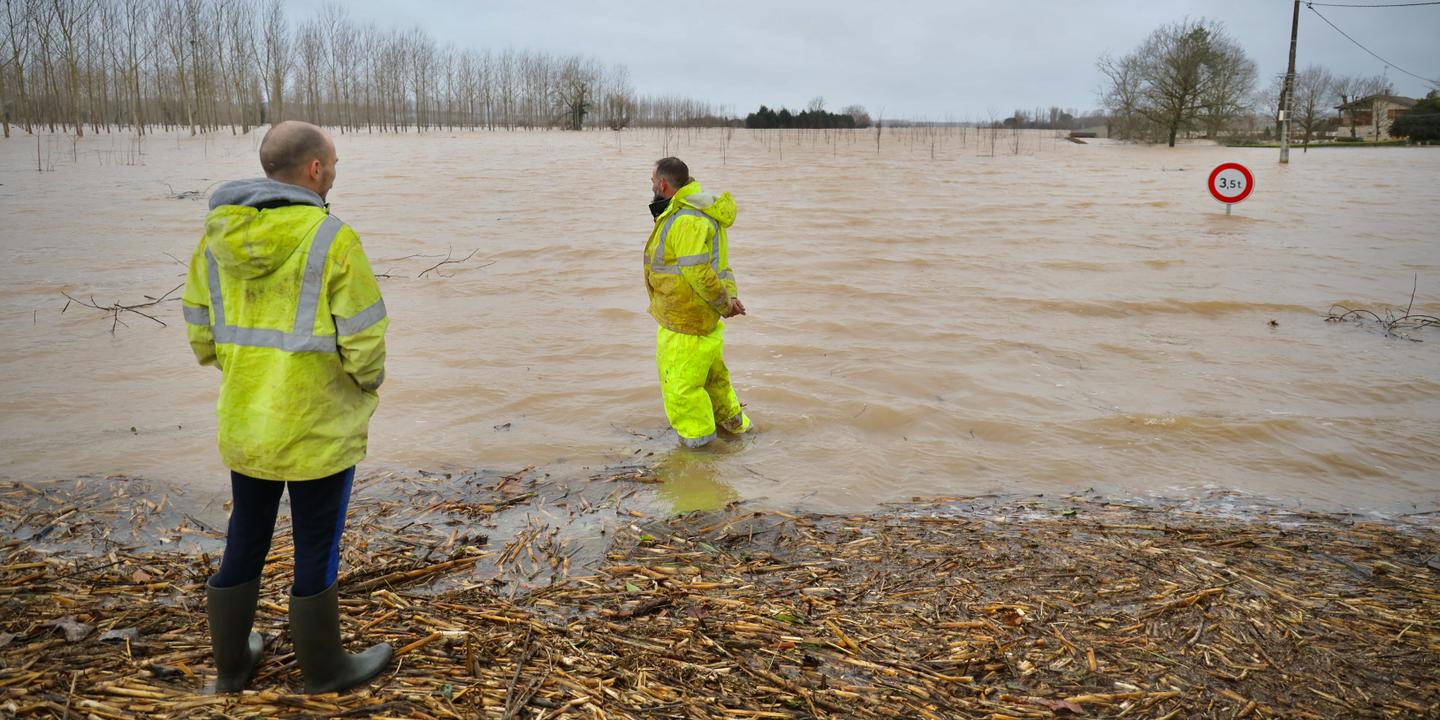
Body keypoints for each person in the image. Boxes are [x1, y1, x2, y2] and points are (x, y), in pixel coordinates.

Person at [181, 121, 392, 694]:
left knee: (246, 533)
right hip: (318, 425)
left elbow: (201, 332)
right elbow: (366, 343)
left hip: (247, 421)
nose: (336, 172)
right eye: (336, 163)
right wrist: (364, 387)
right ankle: (325, 670)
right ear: (315, 169)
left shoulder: (213, 238)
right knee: (316, 542)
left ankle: (230, 666)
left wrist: (245, 376)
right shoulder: (332, 238)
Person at [644, 157, 752, 447]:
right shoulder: (697, 211)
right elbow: (721, 266)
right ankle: (737, 432)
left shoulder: (686, 219)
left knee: (681, 390)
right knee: (714, 381)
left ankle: (699, 456)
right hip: (701, 320)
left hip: (685, 321)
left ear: (663, 184)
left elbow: (699, 271)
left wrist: (725, 304)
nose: (651, 185)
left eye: (652, 181)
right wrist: (727, 299)